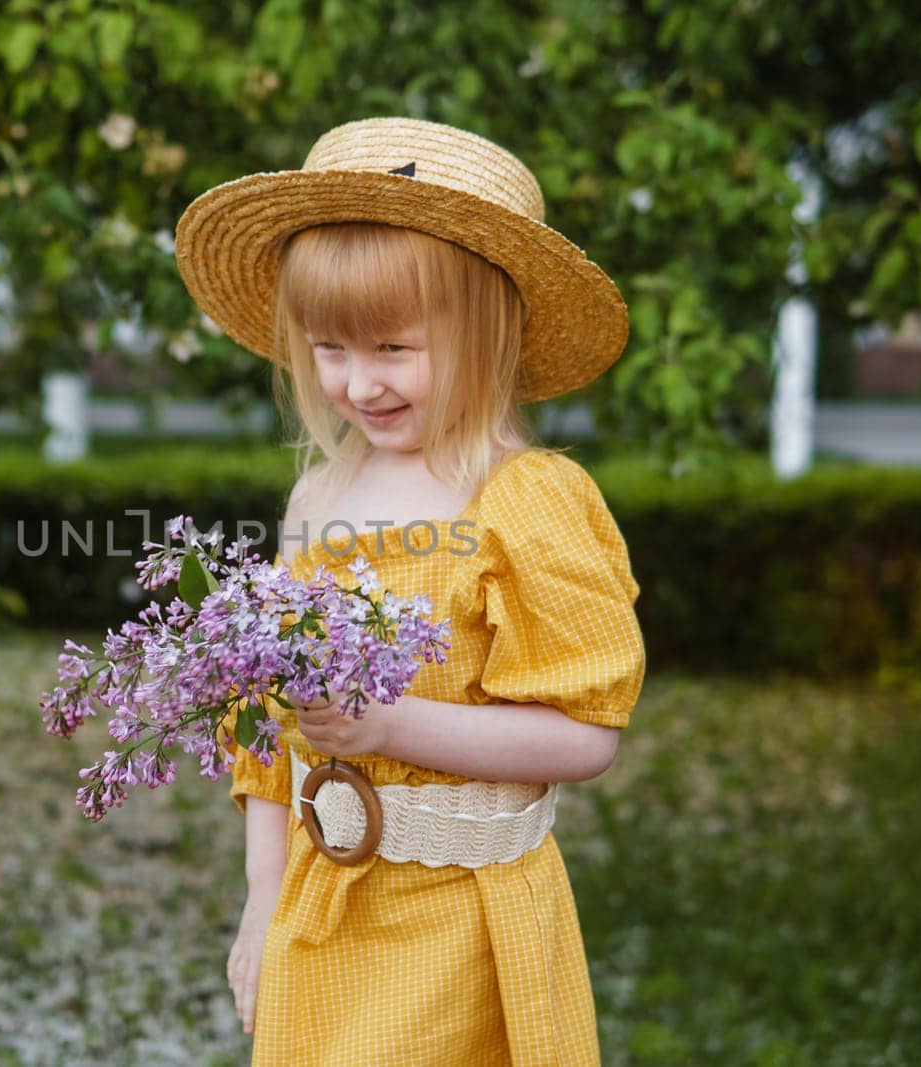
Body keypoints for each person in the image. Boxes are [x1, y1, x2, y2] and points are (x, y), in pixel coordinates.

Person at [172, 117, 646, 1065]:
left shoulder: (526, 499)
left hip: (463, 927)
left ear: (487, 331)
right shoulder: (320, 497)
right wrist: (262, 899)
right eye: (328, 347)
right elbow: (268, 730)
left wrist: (390, 728)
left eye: (393, 347)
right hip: (324, 905)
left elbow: (584, 734)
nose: (357, 383)